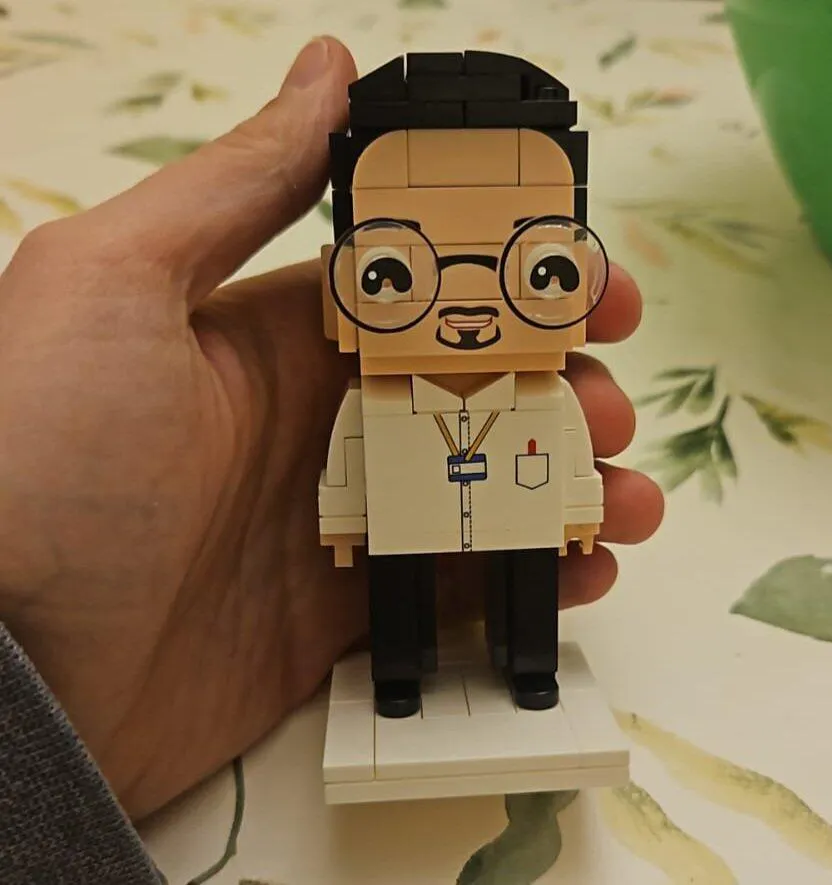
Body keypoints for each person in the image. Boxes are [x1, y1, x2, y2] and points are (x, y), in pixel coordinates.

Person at [0, 37, 663, 883]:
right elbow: (345, 461)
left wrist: (577, 509)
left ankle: (529, 666)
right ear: (344, 281)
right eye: (393, 272)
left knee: (526, 587)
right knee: (398, 596)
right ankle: (400, 675)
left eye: (531, 267)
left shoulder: (543, 395)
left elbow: (572, 453)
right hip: (402, 514)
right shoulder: (371, 401)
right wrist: (344, 520)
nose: (467, 301)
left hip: (517, 505)